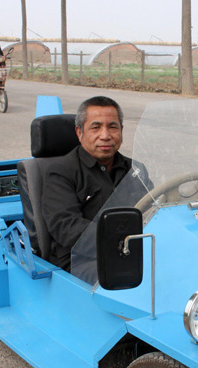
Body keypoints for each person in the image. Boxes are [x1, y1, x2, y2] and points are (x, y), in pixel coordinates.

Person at [41, 96, 132, 271]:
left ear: (121, 130)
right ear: (79, 132)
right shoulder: (60, 173)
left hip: (133, 252)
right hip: (79, 260)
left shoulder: (135, 170)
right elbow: (67, 227)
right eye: (96, 127)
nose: (105, 136)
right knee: (136, 278)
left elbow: (154, 211)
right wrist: (122, 243)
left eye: (112, 127)